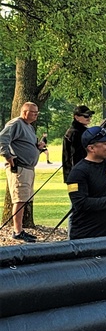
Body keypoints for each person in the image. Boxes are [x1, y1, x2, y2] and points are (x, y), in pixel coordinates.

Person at [0, 102, 45, 242]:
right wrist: (8, 155)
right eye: (33, 112)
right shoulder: (16, 124)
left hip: (29, 168)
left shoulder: (29, 127)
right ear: (24, 112)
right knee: (19, 200)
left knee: (24, 199)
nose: (36, 115)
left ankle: (20, 229)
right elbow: (2, 139)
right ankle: (17, 231)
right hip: (19, 168)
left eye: (37, 113)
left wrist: (37, 147)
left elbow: (25, 145)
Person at [62, 105, 93, 182]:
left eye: (90, 116)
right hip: (77, 174)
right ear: (76, 117)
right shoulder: (74, 133)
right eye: (86, 116)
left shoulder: (83, 131)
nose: (89, 118)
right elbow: (75, 156)